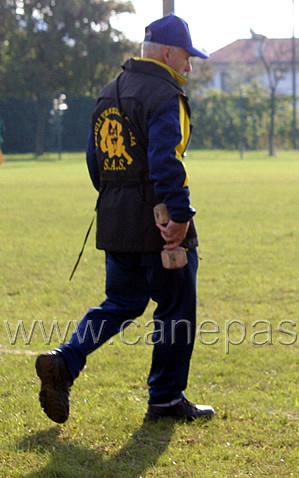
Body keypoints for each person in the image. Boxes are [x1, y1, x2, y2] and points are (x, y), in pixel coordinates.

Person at [36, 14, 214, 423]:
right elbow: (166, 161)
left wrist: (119, 199)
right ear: (168, 53)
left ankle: (65, 361)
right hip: (161, 224)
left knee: (121, 302)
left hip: (115, 221)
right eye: (187, 57)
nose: (189, 66)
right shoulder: (166, 95)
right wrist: (180, 217)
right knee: (176, 309)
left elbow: (94, 162)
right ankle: (167, 399)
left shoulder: (107, 92)